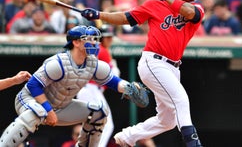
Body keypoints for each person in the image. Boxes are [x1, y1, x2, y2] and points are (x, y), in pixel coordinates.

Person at [80, 0, 204, 147]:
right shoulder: (154, 4)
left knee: (168, 120)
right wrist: (99, 15)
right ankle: (194, 144)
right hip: (153, 62)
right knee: (181, 100)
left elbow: (191, 14)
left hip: (173, 67)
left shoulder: (197, 8)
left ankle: (128, 136)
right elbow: (126, 17)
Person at [0, 25, 148, 147]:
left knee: (100, 112)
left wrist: (129, 87)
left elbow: (112, 81)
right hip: (30, 101)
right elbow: (33, 86)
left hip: (61, 106)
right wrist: (48, 110)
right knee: (37, 112)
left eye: (95, 40)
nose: (94, 43)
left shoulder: (93, 63)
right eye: (89, 40)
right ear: (76, 42)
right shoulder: (58, 63)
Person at [76, 25, 119, 147]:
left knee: (93, 126)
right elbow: (111, 77)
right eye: (107, 38)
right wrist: (114, 67)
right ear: (101, 39)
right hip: (90, 89)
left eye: (111, 37)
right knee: (106, 124)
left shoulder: (98, 50)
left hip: (87, 90)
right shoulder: (102, 50)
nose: (109, 40)